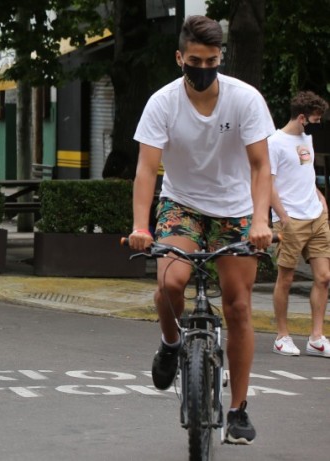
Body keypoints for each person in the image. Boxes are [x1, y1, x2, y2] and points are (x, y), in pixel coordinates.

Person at [129, 16, 274, 445]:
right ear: (180, 58)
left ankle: (238, 409)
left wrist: (263, 221)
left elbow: (261, 165)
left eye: (212, 60)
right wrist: (140, 225)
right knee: (171, 282)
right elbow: (145, 168)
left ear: (221, 59)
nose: (203, 68)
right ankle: (171, 344)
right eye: (195, 60)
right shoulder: (162, 102)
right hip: (182, 205)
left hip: (236, 210)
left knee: (238, 306)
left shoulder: (245, 100)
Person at [269, 91, 330, 357]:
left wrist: (321, 200)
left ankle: (316, 338)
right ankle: (282, 336)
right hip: (290, 219)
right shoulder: (275, 142)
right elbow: (267, 184)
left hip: (316, 216)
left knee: (325, 277)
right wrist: (282, 218)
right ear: (302, 117)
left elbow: (305, 172)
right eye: (315, 120)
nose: (318, 124)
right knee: (286, 278)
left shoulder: (307, 138)